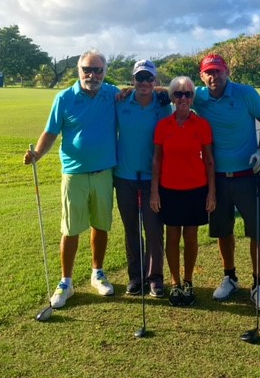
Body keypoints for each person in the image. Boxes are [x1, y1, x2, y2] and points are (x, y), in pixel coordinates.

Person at [23, 49, 120, 309]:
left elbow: (140, 92)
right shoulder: (64, 97)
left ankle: (97, 273)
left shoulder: (112, 93)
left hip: (103, 172)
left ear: (104, 72)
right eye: (87, 69)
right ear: (79, 71)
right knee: (71, 228)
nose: (92, 74)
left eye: (97, 70)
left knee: (101, 225)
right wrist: (37, 154)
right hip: (74, 173)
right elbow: (51, 131)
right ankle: (66, 281)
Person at [192, 53, 260, 312]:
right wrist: (128, 90)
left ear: (227, 71)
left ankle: (258, 284)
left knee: (257, 231)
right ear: (202, 76)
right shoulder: (198, 97)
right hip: (216, 179)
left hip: (247, 176)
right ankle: (230, 277)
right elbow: (171, 90)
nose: (214, 76)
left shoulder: (245, 94)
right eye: (209, 73)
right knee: (223, 230)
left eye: (218, 71)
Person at [150, 76, 216, 306]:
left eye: (188, 94)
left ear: (192, 98)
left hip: (196, 189)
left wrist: (212, 192)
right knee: (172, 236)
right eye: (178, 94)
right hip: (169, 189)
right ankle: (175, 283)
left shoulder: (202, 125)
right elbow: (157, 161)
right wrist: (154, 192)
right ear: (172, 98)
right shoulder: (163, 126)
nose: (184, 98)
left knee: (190, 236)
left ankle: (188, 282)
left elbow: (209, 161)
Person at [114, 60, 172, 298]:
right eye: (140, 78)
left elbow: (178, 92)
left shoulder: (163, 107)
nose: (145, 83)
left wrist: (162, 92)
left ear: (155, 81)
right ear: (133, 80)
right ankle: (135, 277)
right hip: (124, 176)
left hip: (153, 178)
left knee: (154, 229)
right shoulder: (120, 102)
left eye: (150, 79)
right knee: (131, 229)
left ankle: (155, 278)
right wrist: (125, 90)